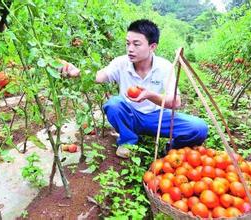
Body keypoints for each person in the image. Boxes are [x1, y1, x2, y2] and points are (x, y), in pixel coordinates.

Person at [60, 19, 208, 158]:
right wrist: (76, 72)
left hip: (156, 117)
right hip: (130, 115)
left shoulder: (164, 66)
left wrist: (149, 95)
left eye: (136, 44)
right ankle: (128, 140)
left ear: (152, 46)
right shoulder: (121, 63)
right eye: (127, 43)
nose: (130, 49)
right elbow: (98, 76)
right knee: (113, 104)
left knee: (199, 128)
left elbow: (175, 102)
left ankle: (172, 148)